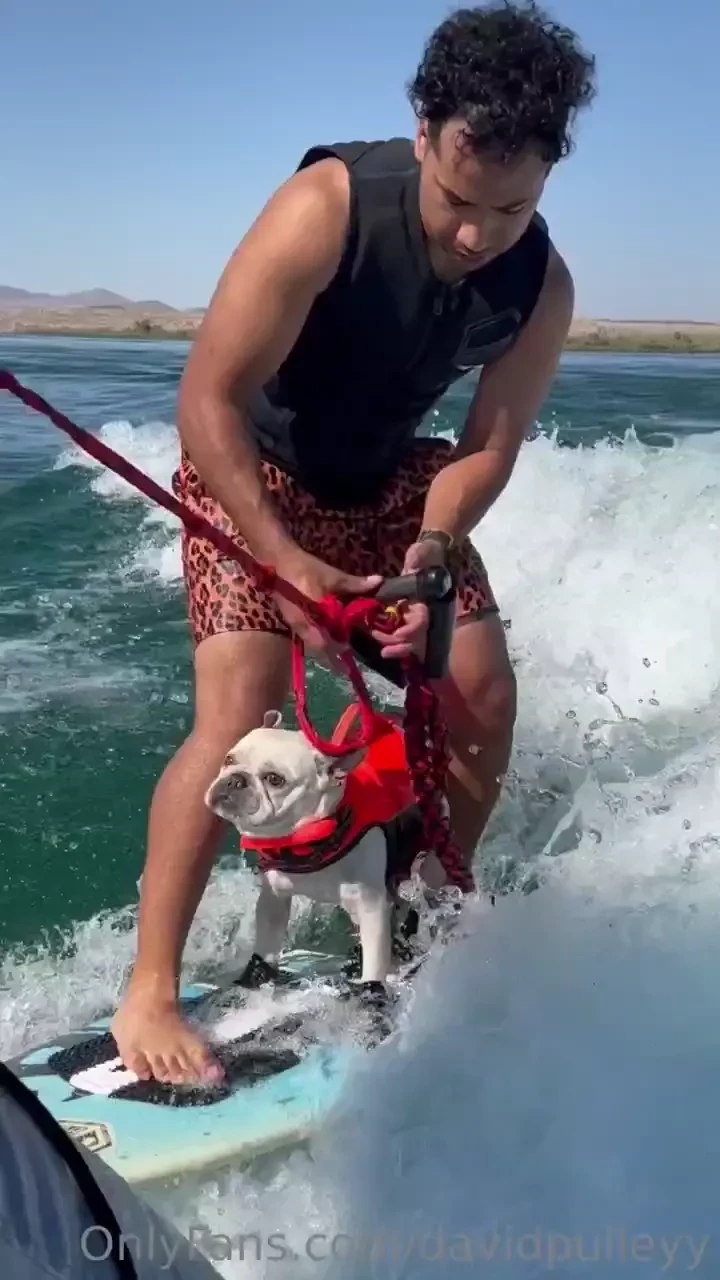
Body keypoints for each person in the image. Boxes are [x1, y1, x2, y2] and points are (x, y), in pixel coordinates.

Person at [112, 2, 596, 1086]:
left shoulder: (543, 283)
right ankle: (149, 982)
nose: (480, 235)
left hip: (394, 484)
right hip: (254, 476)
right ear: (423, 134)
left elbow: (486, 445)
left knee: (481, 692)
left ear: (551, 172)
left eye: (512, 208)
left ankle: (422, 917)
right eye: (461, 201)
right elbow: (207, 400)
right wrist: (280, 560)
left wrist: (430, 557)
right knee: (237, 715)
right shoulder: (323, 208)